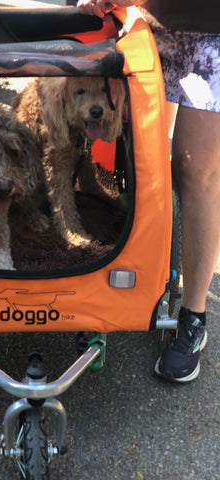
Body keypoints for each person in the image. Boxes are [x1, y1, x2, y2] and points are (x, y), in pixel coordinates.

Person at [77, 0, 220, 382]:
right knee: (138, 158)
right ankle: (124, 281)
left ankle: (192, 318)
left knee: (194, 169)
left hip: (213, 32)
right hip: (150, 29)